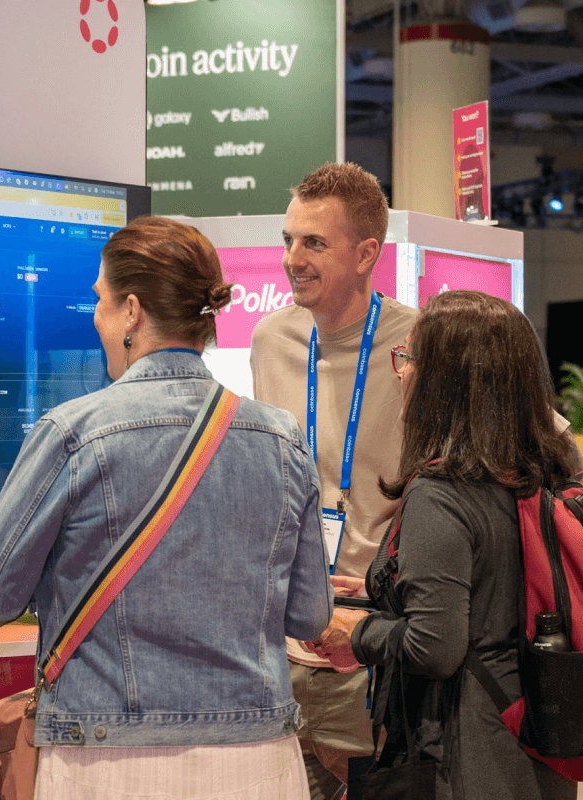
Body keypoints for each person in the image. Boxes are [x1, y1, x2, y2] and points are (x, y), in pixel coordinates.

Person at [0, 215, 331, 800]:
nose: (95, 317)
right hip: (260, 763)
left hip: (109, 763)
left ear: (132, 311)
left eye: (100, 301)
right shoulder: (281, 437)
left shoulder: (73, 433)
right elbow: (308, 616)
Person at [313, 290, 578, 799]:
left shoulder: (442, 494)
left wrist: (358, 632)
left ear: (445, 380)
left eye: (409, 357)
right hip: (534, 741)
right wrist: (393, 595)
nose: (400, 371)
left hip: (463, 756)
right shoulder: (544, 477)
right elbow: (493, 597)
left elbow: (435, 648)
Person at [249, 162, 418, 797]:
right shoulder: (272, 341)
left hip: (375, 650)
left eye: (314, 242)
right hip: (281, 647)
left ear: (366, 253)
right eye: (289, 240)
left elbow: (552, 450)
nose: (293, 258)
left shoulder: (421, 343)